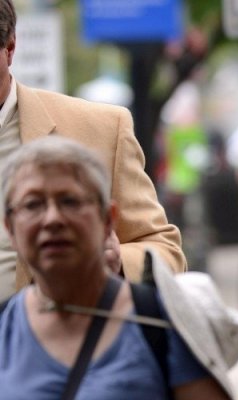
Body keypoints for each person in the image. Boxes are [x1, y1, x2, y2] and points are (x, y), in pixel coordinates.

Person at [0, 136, 238, 399]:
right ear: (9, 228)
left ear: (108, 220)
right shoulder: (5, 329)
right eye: (33, 204)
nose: (53, 219)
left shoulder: (160, 321)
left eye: (70, 201)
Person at [0, 0, 186, 301]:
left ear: (10, 48)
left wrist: (117, 263)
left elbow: (167, 253)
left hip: (62, 343)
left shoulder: (101, 129)